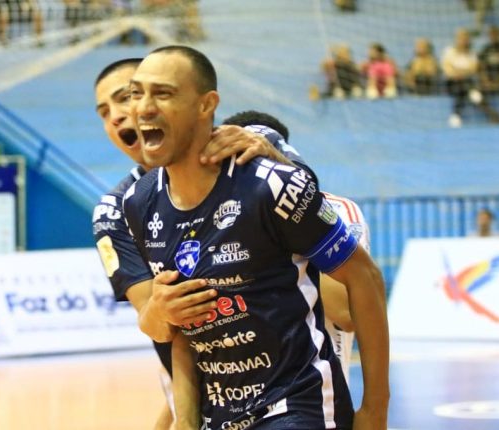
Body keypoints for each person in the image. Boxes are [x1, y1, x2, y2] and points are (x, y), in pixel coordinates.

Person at [123, 45, 389, 429]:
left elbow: (365, 279)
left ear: (206, 105)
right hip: (220, 415)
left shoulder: (271, 186)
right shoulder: (140, 202)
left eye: (162, 93)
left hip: (299, 406)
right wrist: (184, 419)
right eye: (136, 93)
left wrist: (375, 409)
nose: (144, 107)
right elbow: (177, 330)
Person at [93, 59, 300, 430]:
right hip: (206, 389)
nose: (120, 116)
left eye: (129, 96)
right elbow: (161, 326)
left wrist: (271, 152)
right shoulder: (118, 208)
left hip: (295, 382)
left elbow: (316, 204)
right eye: (104, 112)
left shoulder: (247, 143)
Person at [222, 110, 372, 384]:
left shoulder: (337, 209)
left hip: (315, 396)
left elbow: (346, 312)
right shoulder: (213, 221)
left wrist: (285, 226)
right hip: (233, 399)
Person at [442, 28, 499, 127]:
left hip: (466, 82)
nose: (463, 41)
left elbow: (474, 69)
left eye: (465, 39)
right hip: (451, 82)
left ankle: (455, 115)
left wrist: (459, 71)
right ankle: (487, 108)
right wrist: (460, 73)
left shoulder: (472, 53)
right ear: (457, 39)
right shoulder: (449, 51)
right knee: (464, 85)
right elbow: (447, 69)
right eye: (461, 38)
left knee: (462, 87)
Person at [478, 26, 499, 106]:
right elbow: (481, 67)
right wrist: (486, 81)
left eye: (496, 34)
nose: (493, 36)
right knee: (475, 94)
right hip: (488, 83)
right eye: (491, 35)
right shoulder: (485, 50)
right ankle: (492, 114)